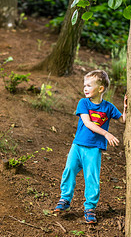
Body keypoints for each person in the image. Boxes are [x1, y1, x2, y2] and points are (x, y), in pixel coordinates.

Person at [54, 70, 127, 224]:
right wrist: (106, 134)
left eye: (88, 85)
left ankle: (90, 208)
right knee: (69, 170)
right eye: (84, 85)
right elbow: (87, 123)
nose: (85, 88)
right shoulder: (83, 103)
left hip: (94, 149)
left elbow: (123, 120)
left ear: (100, 89)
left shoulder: (108, 107)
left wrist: (126, 108)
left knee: (91, 178)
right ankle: (65, 199)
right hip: (78, 146)